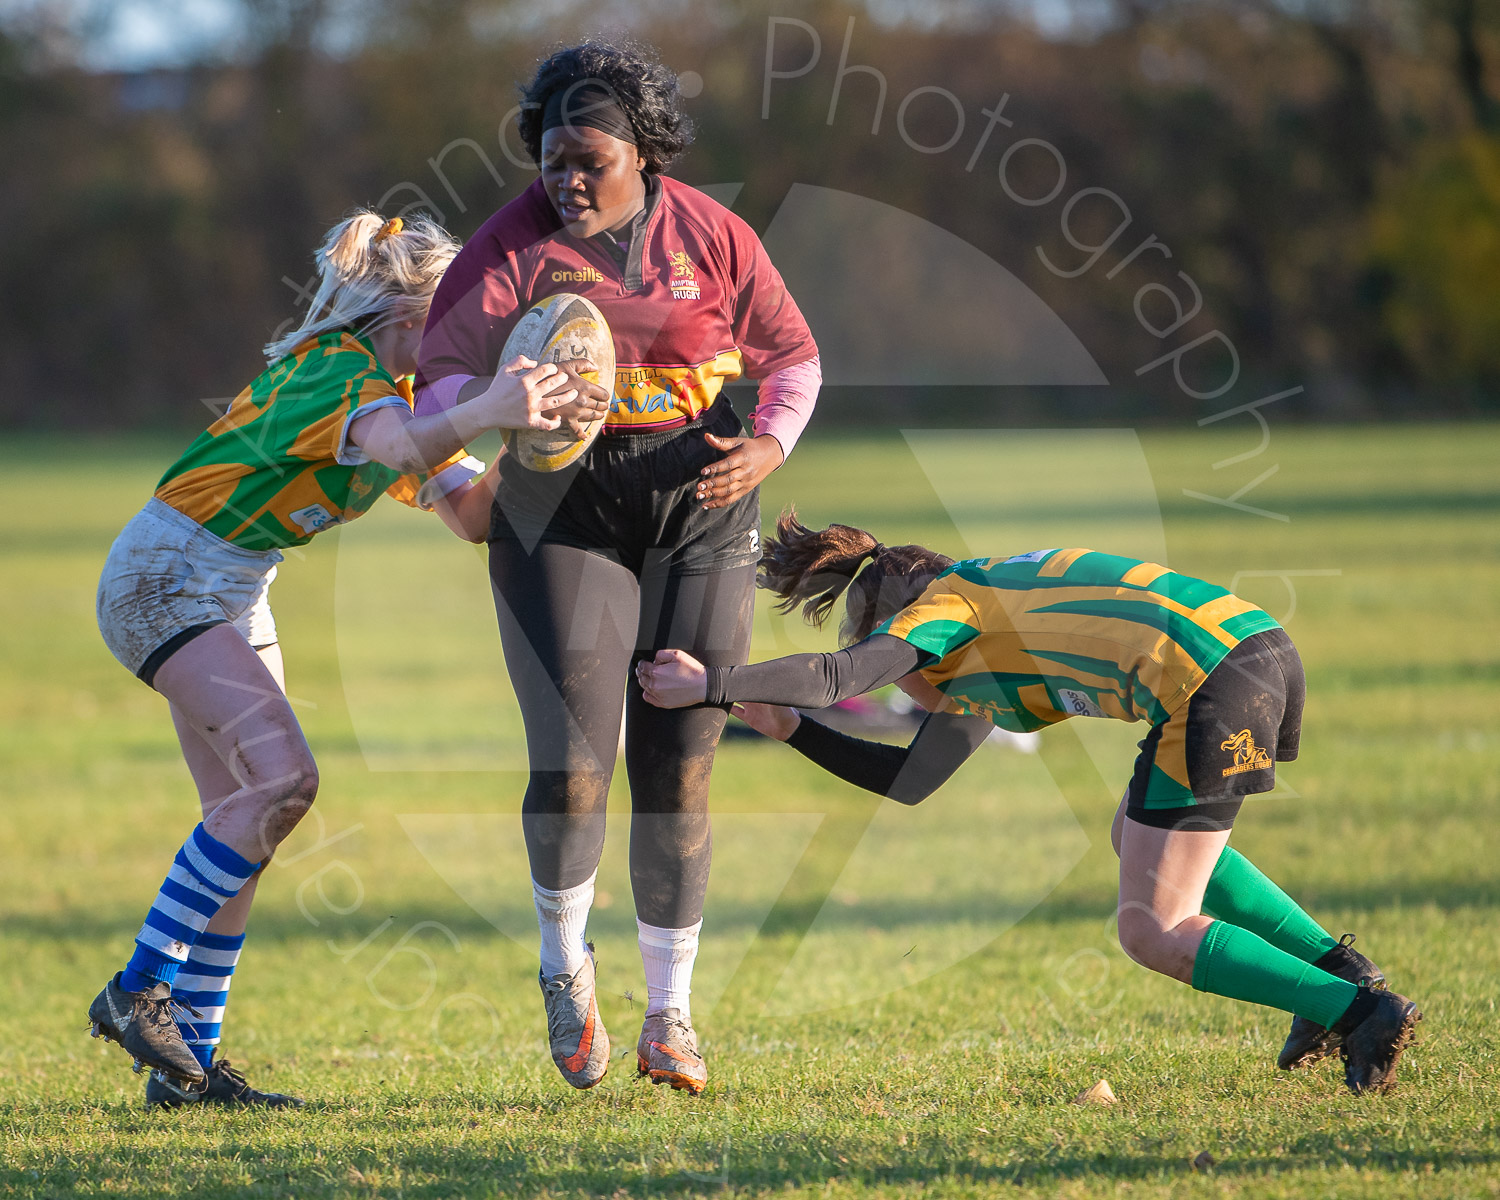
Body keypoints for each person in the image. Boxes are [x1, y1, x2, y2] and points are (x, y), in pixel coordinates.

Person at [89, 209, 600, 1109]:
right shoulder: (339, 375)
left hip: (233, 585)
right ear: (411, 316)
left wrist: (548, 436)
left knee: (244, 819)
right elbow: (400, 446)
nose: (471, 331)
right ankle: (136, 991)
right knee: (285, 783)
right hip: (167, 571)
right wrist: (489, 406)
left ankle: (191, 1073)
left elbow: (473, 515)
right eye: (459, 313)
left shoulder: (394, 398)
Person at [638, 510, 1423, 1096]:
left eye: (901, 661)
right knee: (1135, 835)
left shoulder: (948, 609)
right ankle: (1338, 972)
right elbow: (912, 781)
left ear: (900, 621)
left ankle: (1359, 1012)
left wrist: (716, 685)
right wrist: (792, 731)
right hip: (1255, 650)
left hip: (1214, 680)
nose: (903, 683)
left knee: (1151, 928)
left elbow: (845, 674)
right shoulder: (992, 633)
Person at [414, 40, 821, 1095]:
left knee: (681, 765)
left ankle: (672, 1017)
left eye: (591, 159)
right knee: (573, 766)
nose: (568, 179)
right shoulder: (511, 245)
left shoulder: (713, 235)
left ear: (647, 156)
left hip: (701, 496)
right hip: (560, 505)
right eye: (552, 158)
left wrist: (769, 442)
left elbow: (794, 356)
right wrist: (462, 469)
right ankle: (563, 964)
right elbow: (436, 382)